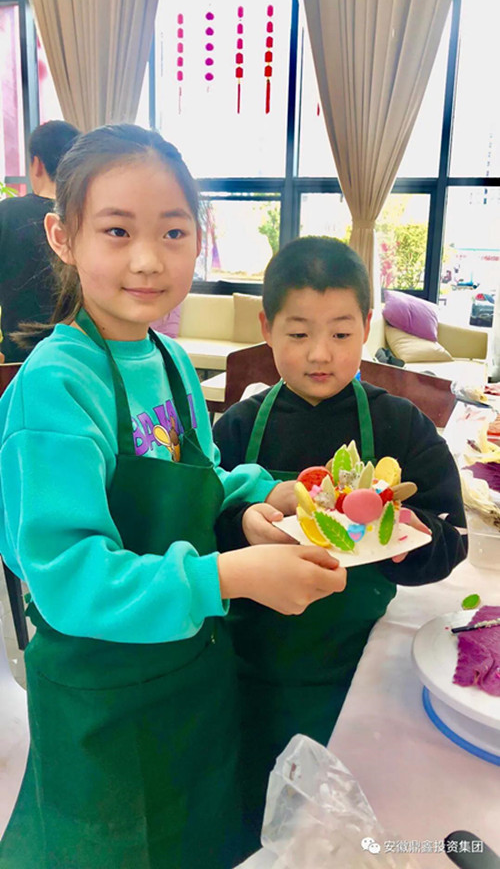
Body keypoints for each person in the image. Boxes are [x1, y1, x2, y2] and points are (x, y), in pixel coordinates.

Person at [0, 126, 347, 869]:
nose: (148, 259)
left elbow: (202, 476)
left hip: (191, 681)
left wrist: (271, 496)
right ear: (63, 237)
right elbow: (69, 577)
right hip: (102, 705)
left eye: (172, 231)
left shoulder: (171, 361)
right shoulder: (56, 388)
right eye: (117, 231)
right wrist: (229, 575)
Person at [213, 235, 467, 855]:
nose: (320, 354)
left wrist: (408, 538)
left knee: (337, 828)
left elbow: (451, 533)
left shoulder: (400, 425)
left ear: (367, 326)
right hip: (248, 668)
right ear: (266, 328)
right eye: (299, 334)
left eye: (342, 333)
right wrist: (242, 522)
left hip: (358, 668)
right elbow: (201, 524)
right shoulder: (238, 426)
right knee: (249, 816)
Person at [0, 120, 81, 362]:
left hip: (19, 361)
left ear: (36, 164)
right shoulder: (90, 219)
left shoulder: (7, 213)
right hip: (83, 358)